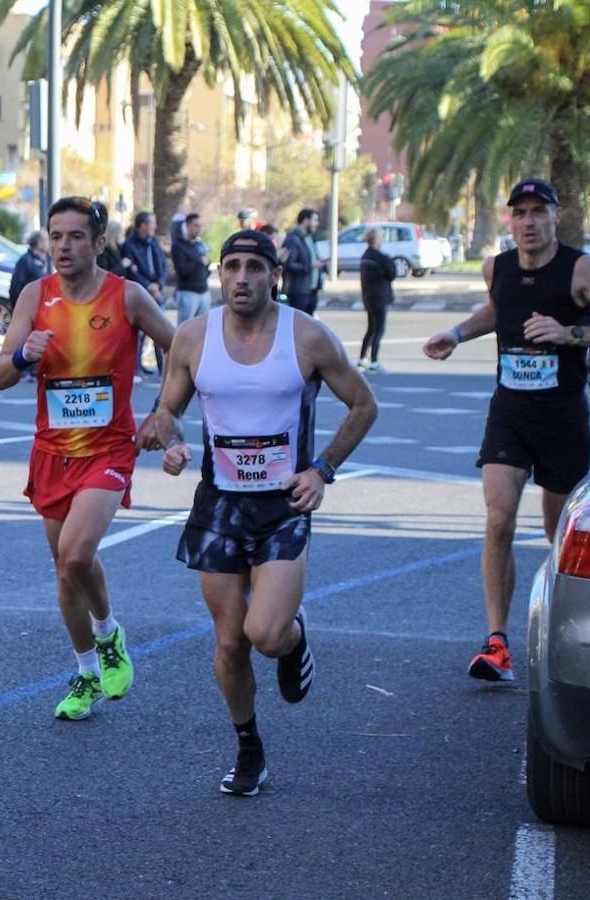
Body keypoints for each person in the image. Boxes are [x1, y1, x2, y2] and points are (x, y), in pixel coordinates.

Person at [154, 229, 376, 795]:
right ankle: (248, 746)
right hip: (219, 506)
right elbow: (164, 413)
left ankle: (295, 640)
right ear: (219, 273)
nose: (242, 278)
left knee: (266, 633)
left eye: (255, 267)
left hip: (283, 505)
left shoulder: (307, 336)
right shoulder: (192, 338)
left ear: (275, 274)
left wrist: (321, 470)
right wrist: (172, 442)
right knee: (230, 642)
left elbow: (363, 405)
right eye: (232, 267)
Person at [0, 196, 176, 721]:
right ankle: (87, 672)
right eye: (56, 236)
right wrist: (25, 354)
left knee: (76, 553)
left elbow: (181, 350)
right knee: (66, 569)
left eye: (75, 236)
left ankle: (107, 633)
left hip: (110, 450)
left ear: (99, 244)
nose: (64, 246)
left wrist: (163, 413)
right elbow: (1, 374)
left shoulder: (128, 297)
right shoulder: (35, 295)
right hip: (52, 453)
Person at [423, 177, 590, 682]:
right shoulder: (495, 266)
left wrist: (570, 334)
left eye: (537, 212)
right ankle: (497, 642)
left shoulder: (581, 268)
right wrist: (456, 334)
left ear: (555, 216)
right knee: (498, 518)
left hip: (563, 418)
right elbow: (498, 309)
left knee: (556, 533)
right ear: (511, 220)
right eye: (519, 213)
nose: (528, 222)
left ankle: (567, 633)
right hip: (510, 414)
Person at [122, 210, 169, 373]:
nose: (155, 227)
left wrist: (158, 284)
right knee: (140, 334)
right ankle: (136, 367)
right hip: (142, 292)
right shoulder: (129, 245)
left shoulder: (154, 242)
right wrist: (149, 286)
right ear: (142, 226)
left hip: (157, 291)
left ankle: (163, 367)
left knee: (160, 330)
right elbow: (132, 272)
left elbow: (163, 266)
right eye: (152, 223)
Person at [358, 227, 398, 373]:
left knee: (371, 328)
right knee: (379, 329)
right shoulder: (381, 257)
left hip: (368, 296)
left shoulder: (365, 256)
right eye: (382, 237)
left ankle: (362, 358)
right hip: (379, 296)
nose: (383, 240)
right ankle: (374, 361)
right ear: (375, 240)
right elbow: (391, 274)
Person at [172, 212, 212, 323]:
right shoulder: (178, 245)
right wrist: (199, 262)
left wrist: (206, 264)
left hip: (204, 292)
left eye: (201, 226)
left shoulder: (199, 244)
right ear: (188, 226)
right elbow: (181, 269)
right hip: (188, 293)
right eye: (196, 226)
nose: (199, 229)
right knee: (186, 328)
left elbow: (204, 265)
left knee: (204, 328)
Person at [281, 208, 321, 316]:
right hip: (299, 291)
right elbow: (289, 264)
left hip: (311, 290)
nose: (317, 224)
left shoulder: (309, 238)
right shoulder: (293, 239)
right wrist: (310, 266)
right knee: (298, 326)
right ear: (305, 221)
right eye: (315, 220)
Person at [9, 229, 49, 305]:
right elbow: (16, 286)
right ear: (38, 243)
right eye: (46, 240)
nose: (49, 243)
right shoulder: (26, 261)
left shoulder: (43, 261)